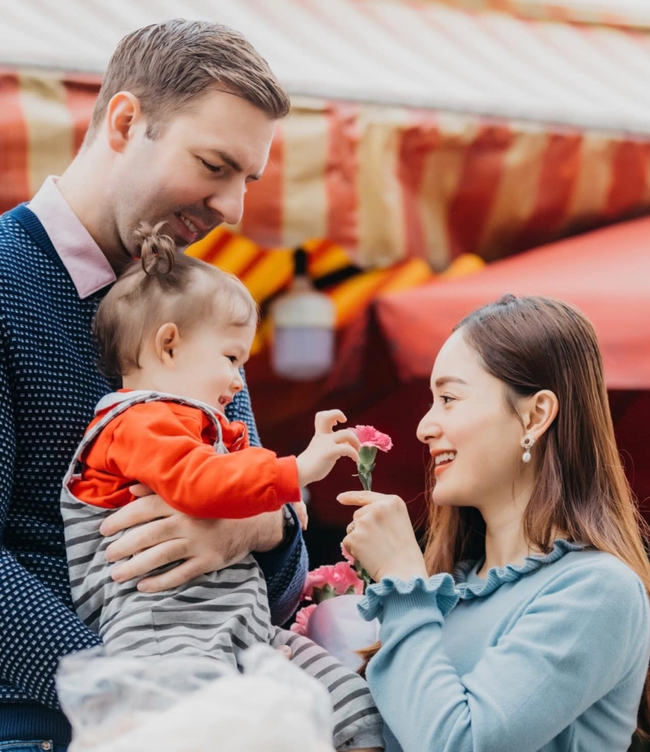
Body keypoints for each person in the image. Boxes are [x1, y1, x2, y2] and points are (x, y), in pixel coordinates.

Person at [0, 19, 311, 751]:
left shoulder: (199, 308)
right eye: (214, 165)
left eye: (248, 181)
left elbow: (285, 571)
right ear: (125, 120)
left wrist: (265, 525)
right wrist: (141, 702)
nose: (233, 207)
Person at [61, 225, 384, 752]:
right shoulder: (137, 422)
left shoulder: (202, 427)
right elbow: (199, 485)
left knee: (349, 700)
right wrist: (294, 473)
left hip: (240, 625)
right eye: (231, 359)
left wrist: (279, 500)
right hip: (166, 634)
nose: (239, 380)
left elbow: (243, 484)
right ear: (169, 345)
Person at [338, 294, 650, 752]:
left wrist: (404, 583)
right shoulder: (447, 589)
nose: (425, 426)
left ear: (535, 414)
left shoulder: (597, 589)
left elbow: (462, 743)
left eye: (448, 398)